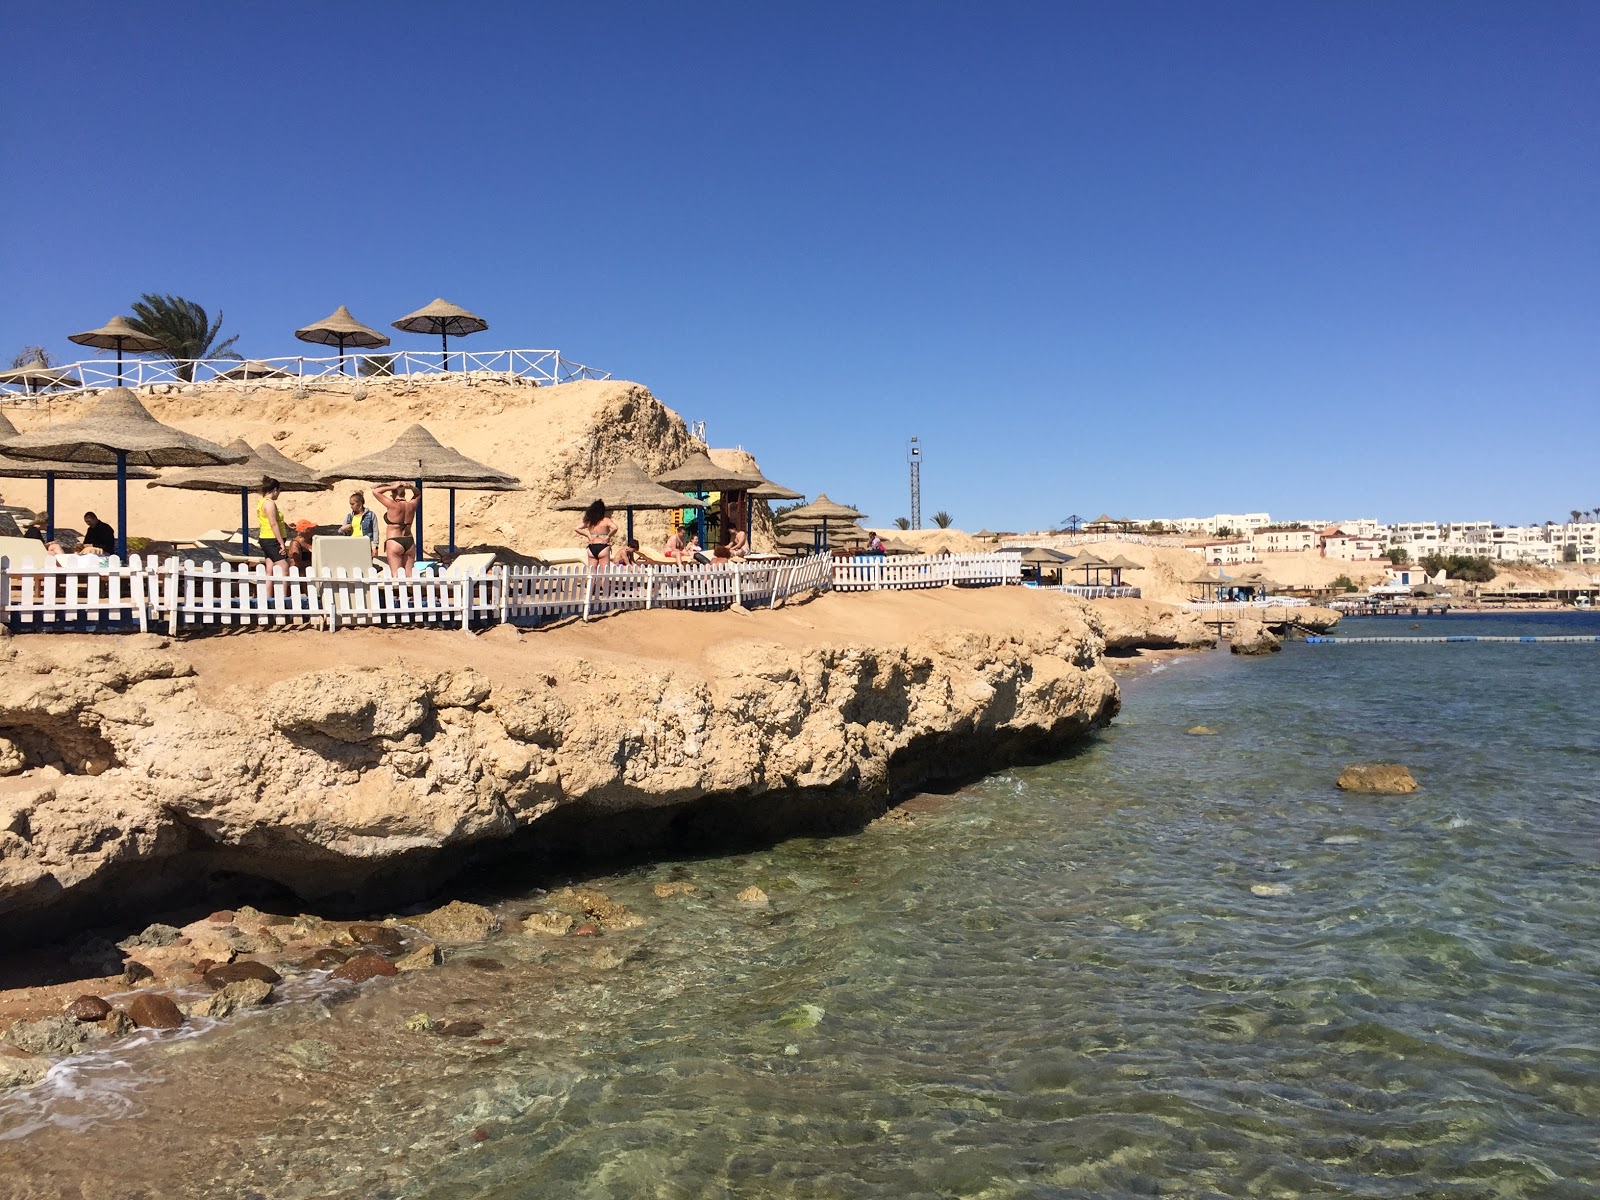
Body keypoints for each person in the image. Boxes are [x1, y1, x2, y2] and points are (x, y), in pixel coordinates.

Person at [372, 482, 419, 575]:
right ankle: (410, 589)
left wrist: (391, 487)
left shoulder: (392, 505)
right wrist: (411, 487)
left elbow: (375, 492)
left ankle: (398, 590)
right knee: (409, 574)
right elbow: (418, 494)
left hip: (394, 540)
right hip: (409, 540)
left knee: (396, 574)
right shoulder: (411, 505)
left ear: (393, 493)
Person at [255, 481, 290, 575]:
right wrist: (281, 543)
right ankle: (283, 590)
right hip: (271, 538)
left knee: (269, 568)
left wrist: (286, 525)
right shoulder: (269, 503)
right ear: (275, 490)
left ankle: (268, 590)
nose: (278, 494)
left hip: (267, 537)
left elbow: (273, 520)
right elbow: (273, 523)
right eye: (279, 491)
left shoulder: (262, 502)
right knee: (284, 566)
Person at [574, 498, 617, 570]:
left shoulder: (590, 521)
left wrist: (588, 535)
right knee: (604, 573)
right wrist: (608, 537)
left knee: (592, 573)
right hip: (603, 546)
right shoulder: (606, 520)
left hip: (592, 546)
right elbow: (615, 528)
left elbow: (576, 528)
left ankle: (591, 582)